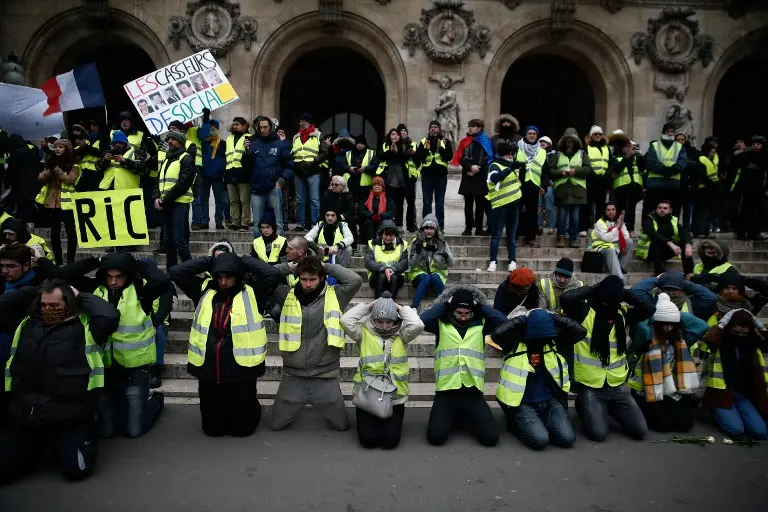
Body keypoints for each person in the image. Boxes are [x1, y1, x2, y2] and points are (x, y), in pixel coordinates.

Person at [0, 280, 119, 483]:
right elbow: (4, 303)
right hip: (30, 415)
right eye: (44, 305)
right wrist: (38, 290)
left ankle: (83, 438)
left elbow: (109, 316)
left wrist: (80, 296)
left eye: (55, 305)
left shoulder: (86, 326)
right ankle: (40, 444)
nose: (48, 309)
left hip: (69, 416)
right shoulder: (26, 323)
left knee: (76, 471)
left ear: (69, 304)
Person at [58, 253, 170, 438]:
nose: (114, 281)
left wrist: (136, 263)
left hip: (134, 371)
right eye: (109, 276)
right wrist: (94, 261)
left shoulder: (141, 292)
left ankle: (155, 401)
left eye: (119, 276)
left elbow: (161, 280)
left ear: (128, 276)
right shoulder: (95, 289)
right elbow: (63, 276)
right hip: (105, 371)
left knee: (134, 431)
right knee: (107, 432)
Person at [170, 251, 281, 436]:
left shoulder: (253, 291)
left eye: (229, 277)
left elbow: (274, 275)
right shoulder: (203, 289)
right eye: (220, 277)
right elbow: (176, 272)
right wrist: (210, 261)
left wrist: (243, 261)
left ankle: (250, 410)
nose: (223, 282)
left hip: (240, 367)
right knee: (212, 431)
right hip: (209, 367)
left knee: (242, 431)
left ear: (237, 277)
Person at [271, 257, 363, 431]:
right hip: (293, 377)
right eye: (303, 279)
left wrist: (324, 266)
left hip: (325, 376)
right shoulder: (286, 295)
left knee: (341, 426)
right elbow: (261, 276)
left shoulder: (336, 295)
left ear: (321, 278)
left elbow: (355, 280)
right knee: (276, 425)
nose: (307, 284)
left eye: (312, 279)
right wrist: (288, 267)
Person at [560, 275, 654, 442]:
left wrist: (624, 293)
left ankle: (609, 409)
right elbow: (566, 298)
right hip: (591, 385)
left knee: (639, 431)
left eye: (611, 302)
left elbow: (649, 309)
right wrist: (595, 288)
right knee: (598, 434)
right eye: (603, 301)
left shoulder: (623, 314)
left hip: (617, 385)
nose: (606, 305)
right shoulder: (584, 312)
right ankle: (585, 405)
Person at [421, 286, 508, 446]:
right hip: (446, 392)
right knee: (435, 437)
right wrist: (446, 305)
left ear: (473, 311)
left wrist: (480, 306)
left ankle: (463, 415)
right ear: (452, 310)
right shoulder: (440, 323)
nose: (463, 317)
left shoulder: (482, 324)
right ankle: (456, 416)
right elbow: (422, 320)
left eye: (467, 313)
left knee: (491, 439)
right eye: (459, 313)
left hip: (472, 392)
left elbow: (503, 321)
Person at [490, 309, 586, 450]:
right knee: (540, 441)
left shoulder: (553, 342)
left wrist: (553, 317)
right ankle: (515, 423)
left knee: (567, 439)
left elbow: (580, 332)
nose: (542, 341)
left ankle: (539, 424)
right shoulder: (514, 343)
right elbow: (497, 335)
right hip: (523, 404)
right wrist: (522, 319)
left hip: (550, 401)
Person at [341, 293, 424, 449]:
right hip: (367, 394)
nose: (384, 326)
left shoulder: (403, 334)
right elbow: (345, 320)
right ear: (373, 319)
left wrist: (399, 307)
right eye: (379, 321)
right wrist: (368, 307)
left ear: (396, 320)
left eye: (388, 321)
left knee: (390, 441)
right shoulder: (362, 333)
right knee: (368, 441)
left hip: (395, 396)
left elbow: (418, 325)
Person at [627, 294, 698, 433]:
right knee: (663, 425)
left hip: (671, 388)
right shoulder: (647, 337)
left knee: (685, 424)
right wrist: (657, 312)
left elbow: (701, 326)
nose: (668, 328)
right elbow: (641, 325)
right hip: (647, 389)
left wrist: (675, 313)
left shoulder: (679, 340)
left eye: (672, 324)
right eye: (664, 324)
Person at [0, 243, 56, 418]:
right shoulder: (5, 284)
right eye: (2, 266)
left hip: (21, 360)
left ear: (26, 266)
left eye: (11, 266)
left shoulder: (34, 290)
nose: (5, 271)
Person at [701, 309, 768, 439]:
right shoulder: (720, 342)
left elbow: (765, 338)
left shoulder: (752, 345)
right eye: (736, 332)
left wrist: (757, 323)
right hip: (722, 393)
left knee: (760, 432)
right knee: (735, 430)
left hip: (742, 394)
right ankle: (714, 412)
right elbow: (710, 338)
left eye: (744, 333)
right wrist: (726, 319)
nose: (740, 336)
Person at [242, 116, 293, 237]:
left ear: (271, 128)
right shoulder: (254, 144)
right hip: (257, 188)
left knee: (278, 222)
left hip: (273, 188)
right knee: (257, 223)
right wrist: (247, 152)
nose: (263, 130)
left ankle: (279, 250)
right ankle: (257, 252)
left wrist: (281, 181)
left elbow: (289, 166)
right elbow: (246, 166)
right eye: (260, 127)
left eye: (265, 127)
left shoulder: (280, 144)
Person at [154, 130, 195, 271]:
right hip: (166, 204)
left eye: (173, 139)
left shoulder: (186, 158)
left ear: (180, 142)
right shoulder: (166, 159)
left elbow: (183, 184)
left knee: (180, 241)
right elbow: (158, 181)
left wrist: (165, 199)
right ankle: (172, 271)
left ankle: (190, 271)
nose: (169, 142)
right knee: (168, 241)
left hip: (179, 204)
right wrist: (156, 197)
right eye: (169, 139)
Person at [35, 138, 79, 265]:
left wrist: (57, 169)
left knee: (71, 233)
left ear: (67, 149)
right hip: (52, 202)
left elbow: (69, 180)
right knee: (54, 234)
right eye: (55, 147)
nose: (57, 149)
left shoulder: (74, 165)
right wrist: (49, 167)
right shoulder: (51, 162)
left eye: (61, 147)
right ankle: (58, 259)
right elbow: (41, 178)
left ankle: (71, 260)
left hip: (67, 203)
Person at [550, 128, 591, 248]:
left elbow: (588, 170)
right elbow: (550, 170)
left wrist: (576, 171)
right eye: (567, 141)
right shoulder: (557, 154)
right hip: (562, 190)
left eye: (572, 141)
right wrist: (560, 173)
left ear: (576, 142)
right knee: (562, 216)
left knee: (575, 217)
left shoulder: (582, 154)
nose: (569, 144)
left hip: (577, 190)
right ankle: (561, 237)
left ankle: (574, 238)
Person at [485, 142, 523, 272]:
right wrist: (510, 168)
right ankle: (493, 261)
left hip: (514, 205)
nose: (510, 155)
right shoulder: (495, 165)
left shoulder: (511, 166)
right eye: (508, 153)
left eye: (512, 153)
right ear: (501, 154)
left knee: (512, 235)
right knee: (496, 235)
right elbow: (494, 178)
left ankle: (512, 261)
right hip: (500, 206)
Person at [406, 214, 454, 310]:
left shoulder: (442, 243)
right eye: (426, 228)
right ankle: (414, 308)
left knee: (433, 276)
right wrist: (418, 253)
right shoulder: (416, 242)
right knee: (426, 277)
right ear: (422, 229)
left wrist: (447, 257)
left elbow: (452, 264)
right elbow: (410, 264)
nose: (429, 231)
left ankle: (449, 304)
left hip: (437, 275)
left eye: (432, 228)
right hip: (418, 274)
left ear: (435, 230)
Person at [636, 199, 694, 276]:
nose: (662, 210)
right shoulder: (649, 220)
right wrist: (669, 243)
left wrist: (688, 244)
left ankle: (690, 275)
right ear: (656, 209)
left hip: (663, 252)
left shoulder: (673, 220)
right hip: (648, 253)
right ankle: (660, 274)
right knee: (657, 243)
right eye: (660, 208)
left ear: (670, 210)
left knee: (684, 245)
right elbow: (653, 235)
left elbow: (684, 232)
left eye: (665, 208)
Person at [631, 270, 718, 321]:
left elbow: (711, 298)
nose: (671, 293)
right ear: (661, 288)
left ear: (682, 289)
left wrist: (686, 283)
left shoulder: (691, 303)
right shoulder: (652, 301)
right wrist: (657, 280)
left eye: (675, 289)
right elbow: (635, 291)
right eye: (668, 289)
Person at [516, 126, 551, 248]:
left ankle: (530, 238)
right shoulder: (517, 148)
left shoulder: (542, 151)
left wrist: (544, 185)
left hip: (533, 184)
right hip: (518, 184)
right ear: (525, 135)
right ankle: (514, 235)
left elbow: (546, 171)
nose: (532, 135)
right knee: (517, 210)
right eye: (529, 133)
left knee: (531, 212)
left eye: (534, 134)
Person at [415, 121, 453, 230]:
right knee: (427, 202)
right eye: (431, 127)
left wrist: (440, 148)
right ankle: (426, 226)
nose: (433, 129)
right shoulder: (423, 142)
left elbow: (449, 157)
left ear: (439, 129)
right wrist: (426, 150)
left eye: (435, 127)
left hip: (441, 176)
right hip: (427, 176)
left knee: (439, 203)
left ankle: (440, 227)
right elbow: (418, 158)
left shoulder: (445, 141)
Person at [378, 128, 417, 232]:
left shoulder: (404, 145)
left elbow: (406, 156)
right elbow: (380, 156)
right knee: (389, 204)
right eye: (393, 134)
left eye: (397, 134)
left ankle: (399, 226)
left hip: (401, 181)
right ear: (389, 136)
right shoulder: (385, 145)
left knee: (400, 205)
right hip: (389, 180)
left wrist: (397, 151)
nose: (395, 136)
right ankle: (388, 224)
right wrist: (391, 151)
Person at [459, 119, 493, 236]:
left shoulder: (485, 141)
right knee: (468, 204)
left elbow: (487, 157)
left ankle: (479, 228)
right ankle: (468, 228)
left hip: (480, 175)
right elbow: (461, 157)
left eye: (472, 126)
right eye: (469, 126)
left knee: (480, 204)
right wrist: (470, 167)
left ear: (479, 128)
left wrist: (477, 168)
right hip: (468, 175)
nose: (470, 128)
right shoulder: (465, 141)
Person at [644, 123, 687, 216]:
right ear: (663, 132)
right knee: (651, 209)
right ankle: (650, 229)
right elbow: (651, 162)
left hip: (673, 184)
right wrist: (666, 170)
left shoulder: (679, 147)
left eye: (672, 132)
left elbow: (682, 162)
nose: (670, 133)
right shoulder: (654, 145)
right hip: (655, 184)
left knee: (673, 211)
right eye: (668, 131)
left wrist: (670, 170)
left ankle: (671, 230)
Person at [196, 111, 229, 230]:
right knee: (203, 199)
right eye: (210, 127)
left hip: (218, 176)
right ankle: (205, 220)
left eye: (214, 127)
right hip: (205, 175)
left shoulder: (223, 143)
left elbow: (225, 159)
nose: (212, 129)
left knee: (219, 200)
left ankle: (219, 221)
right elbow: (202, 132)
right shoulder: (204, 142)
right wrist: (205, 119)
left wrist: (223, 170)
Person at [608, 132, 644, 237]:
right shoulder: (617, 158)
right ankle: (618, 228)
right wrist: (626, 158)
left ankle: (630, 229)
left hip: (634, 186)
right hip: (620, 187)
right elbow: (616, 170)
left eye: (630, 147)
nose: (628, 149)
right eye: (626, 147)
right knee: (619, 208)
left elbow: (642, 169)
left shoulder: (637, 158)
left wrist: (638, 154)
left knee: (631, 209)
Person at [291, 113, 322, 231]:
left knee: (314, 200)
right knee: (299, 200)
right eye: (300, 121)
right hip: (299, 172)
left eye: (304, 121)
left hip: (313, 172)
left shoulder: (318, 135)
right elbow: (292, 153)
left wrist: (315, 162)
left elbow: (324, 152)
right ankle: (300, 224)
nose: (301, 123)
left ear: (309, 123)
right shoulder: (296, 137)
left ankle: (315, 224)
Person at [365, 220, 408, 299]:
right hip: (377, 276)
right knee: (381, 276)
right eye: (386, 234)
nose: (388, 238)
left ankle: (390, 305)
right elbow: (368, 262)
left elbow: (405, 263)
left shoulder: (402, 244)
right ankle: (378, 304)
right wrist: (384, 269)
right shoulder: (372, 244)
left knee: (394, 277)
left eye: (391, 235)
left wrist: (392, 269)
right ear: (381, 233)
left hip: (396, 276)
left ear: (395, 235)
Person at [591, 202, 633, 281]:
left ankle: (620, 267)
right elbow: (607, 238)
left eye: (613, 210)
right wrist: (617, 227)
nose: (611, 212)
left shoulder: (618, 221)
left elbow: (626, 236)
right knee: (610, 250)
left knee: (629, 242)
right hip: (602, 249)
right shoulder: (600, 223)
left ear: (616, 211)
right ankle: (618, 278)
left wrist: (621, 226)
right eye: (608, 210)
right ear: (605, 212)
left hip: (613, 246)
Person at [224, 117, 251, 231]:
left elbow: (251, 156)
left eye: (238, 124)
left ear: (245, 126)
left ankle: (245, 223)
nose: (235, 126)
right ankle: (235, 222)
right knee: (233, 200)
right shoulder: (229, 138)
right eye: (234, 124)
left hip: (243, 172)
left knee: (244, 200)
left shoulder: (249, 138)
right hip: (230, 171)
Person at [692, 141, 720, 238]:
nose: (714, 153)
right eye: (712, 151)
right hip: (703, 189)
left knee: (708, 212)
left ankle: (705, 232)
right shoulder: (702, 159)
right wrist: (712, 183)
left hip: (710, 189)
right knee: (703, 211)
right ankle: (700, 231)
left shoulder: (709, 159)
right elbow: (702, 175)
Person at [358, 176, 395, 246]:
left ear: (382, 187)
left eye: (379, 185)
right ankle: (371, 244)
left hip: (383, 220)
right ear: (372, 187)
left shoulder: (388, 198)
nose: (376, 186)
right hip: (369, 219)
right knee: (369, 223)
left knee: (385, 223)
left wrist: (381, 216)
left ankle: (381, 242)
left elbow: (392, 211)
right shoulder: (366, 197)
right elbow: (362, 210)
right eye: (375, 185)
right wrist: (371, 215)